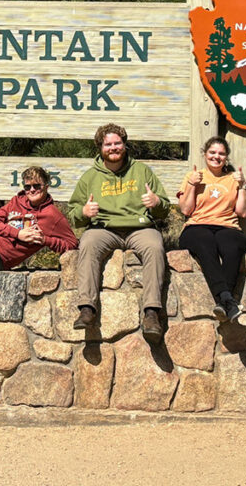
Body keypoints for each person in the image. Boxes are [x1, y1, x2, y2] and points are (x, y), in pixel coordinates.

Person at [67, 123, 171, 344]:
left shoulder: (142, 171)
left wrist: (156, 202)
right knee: (88, 243)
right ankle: (87, 308)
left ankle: (151, 312)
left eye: (117, 143)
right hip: (104, 229)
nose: (113, 147)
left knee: (154, 246)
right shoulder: (89, 177)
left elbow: (165, 207)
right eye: (108, 144)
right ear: (100, 147)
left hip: (139, 227)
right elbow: (74, 215)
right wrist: (84, 212)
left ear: (124, 145)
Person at [176, 137, 246, 323]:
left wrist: (242, 187)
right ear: (205, 154)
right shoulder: (193, 176)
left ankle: (223, 301)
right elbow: (186, 210)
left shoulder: (233, 178)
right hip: (197, 225)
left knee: (233, 245)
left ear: (226, 157)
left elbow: (242, 213)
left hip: (227, 225)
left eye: (221, 153)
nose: (216, 157)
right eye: (212, 153)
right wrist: (193, 185)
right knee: (205, 241)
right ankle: (227, 298)